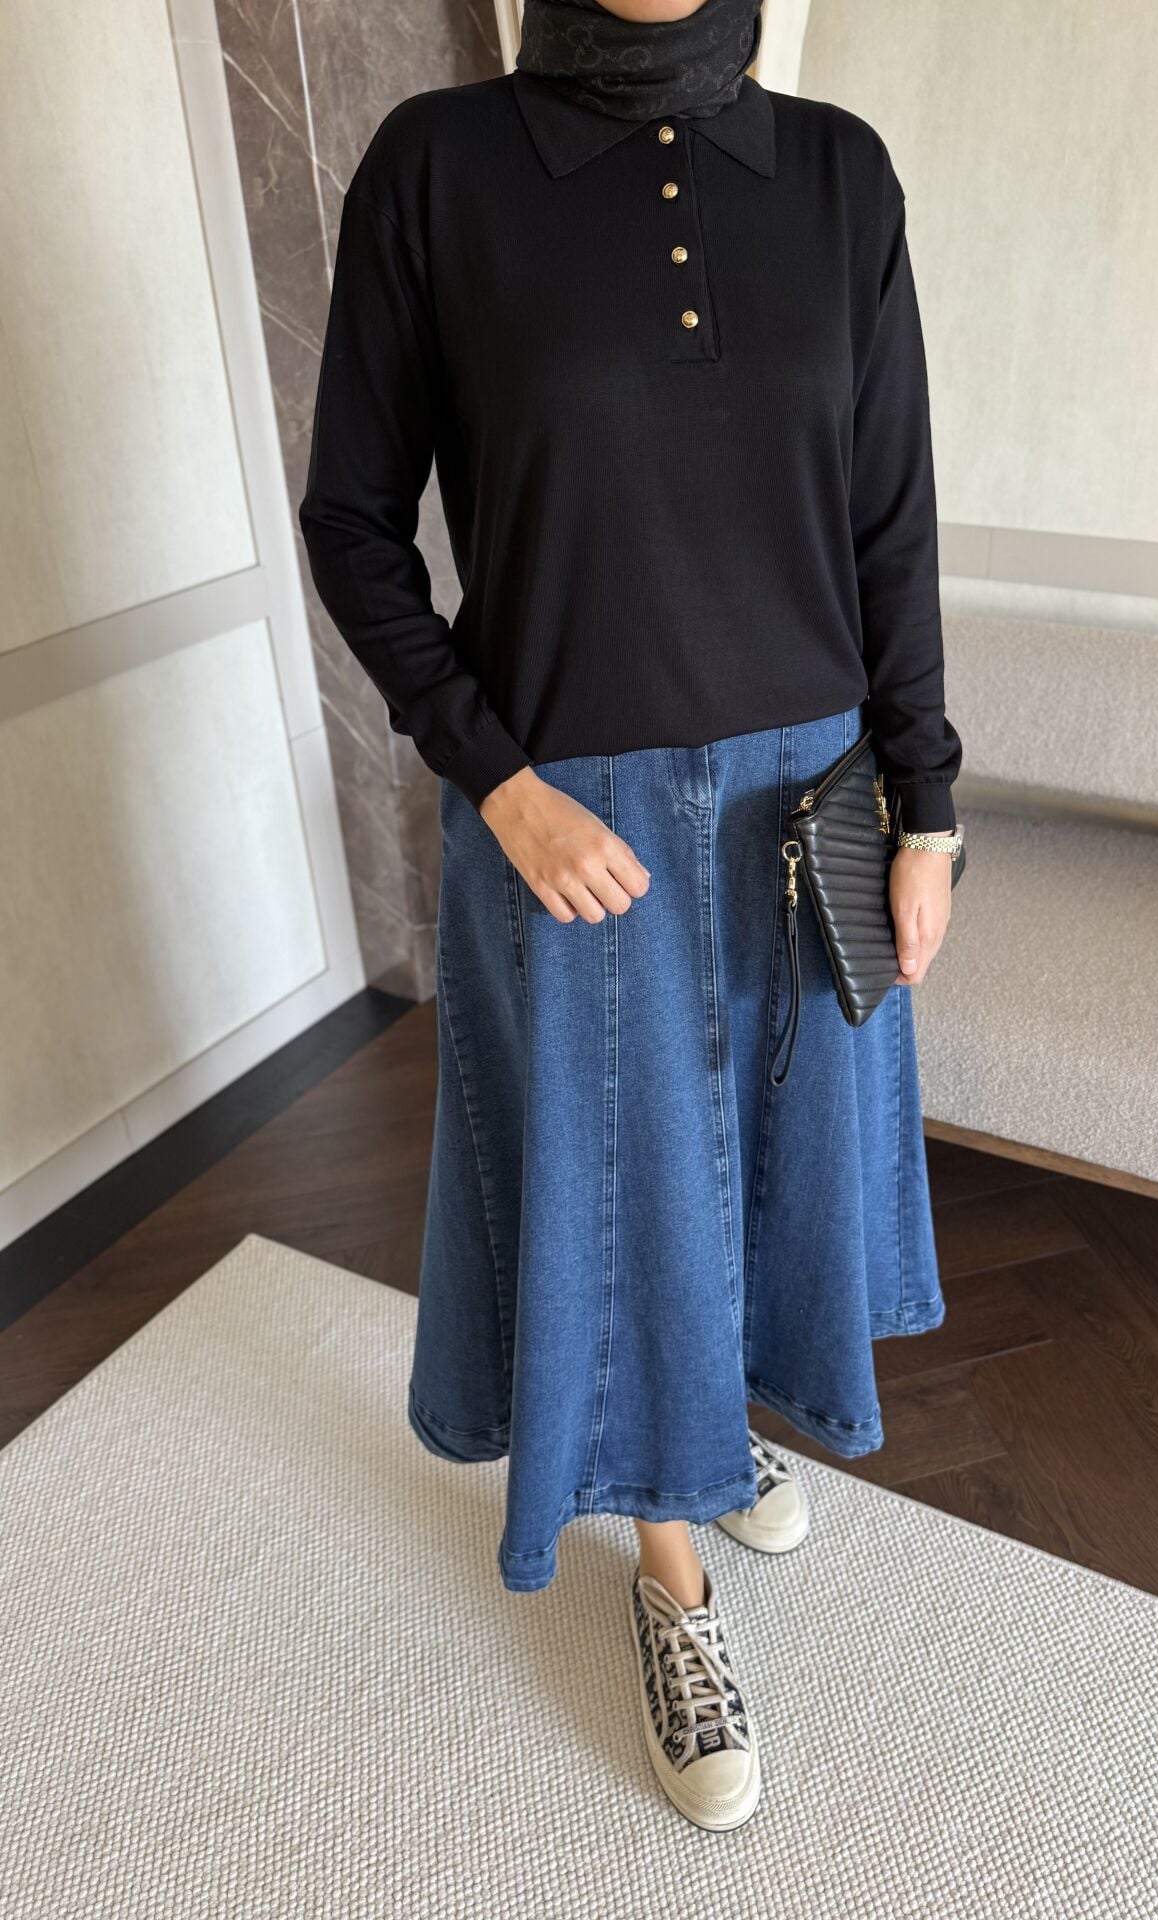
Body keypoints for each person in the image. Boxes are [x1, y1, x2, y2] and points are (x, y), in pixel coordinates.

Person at [299, 0, 962, 1833]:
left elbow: (891, 519)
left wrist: (928, 805)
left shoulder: (835, 174)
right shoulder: (439, 168)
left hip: (811, 797)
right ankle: (666, 1574)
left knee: (763, 1174)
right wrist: (497, 782)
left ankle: (709, 1424)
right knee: (619, 1195)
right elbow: (351, 520)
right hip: (570, 812)